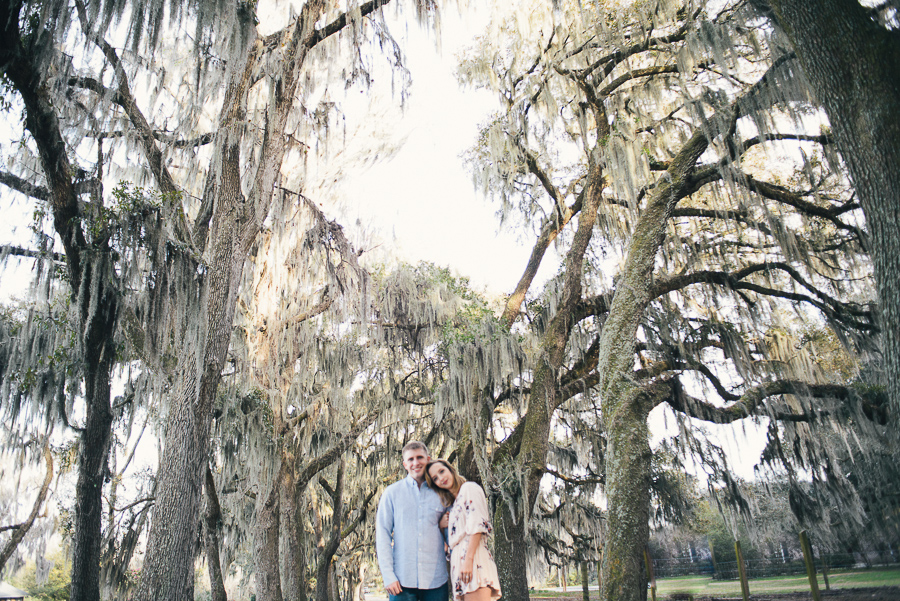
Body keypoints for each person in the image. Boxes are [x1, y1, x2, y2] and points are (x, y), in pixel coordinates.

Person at [376, 441, 450, 601]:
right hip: (402, 581)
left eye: (419, 458)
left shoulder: (442, 493)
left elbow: (453, 533)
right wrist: (388, 576)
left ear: (428, 459)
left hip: (436, 580)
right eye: (410, 459)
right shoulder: (391, 493)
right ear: (404, 464)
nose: (415, 463)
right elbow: (382, 536)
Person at [425, 459, 502, 601]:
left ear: (450, 470)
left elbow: (478, 525)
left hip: (473, 561)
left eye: (442, 471)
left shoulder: (469, 488)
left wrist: (468, 560)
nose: (441, 478)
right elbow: (448, 545)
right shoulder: (453, 505)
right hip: (459, 565)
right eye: (435, 478)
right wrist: (441, 526)